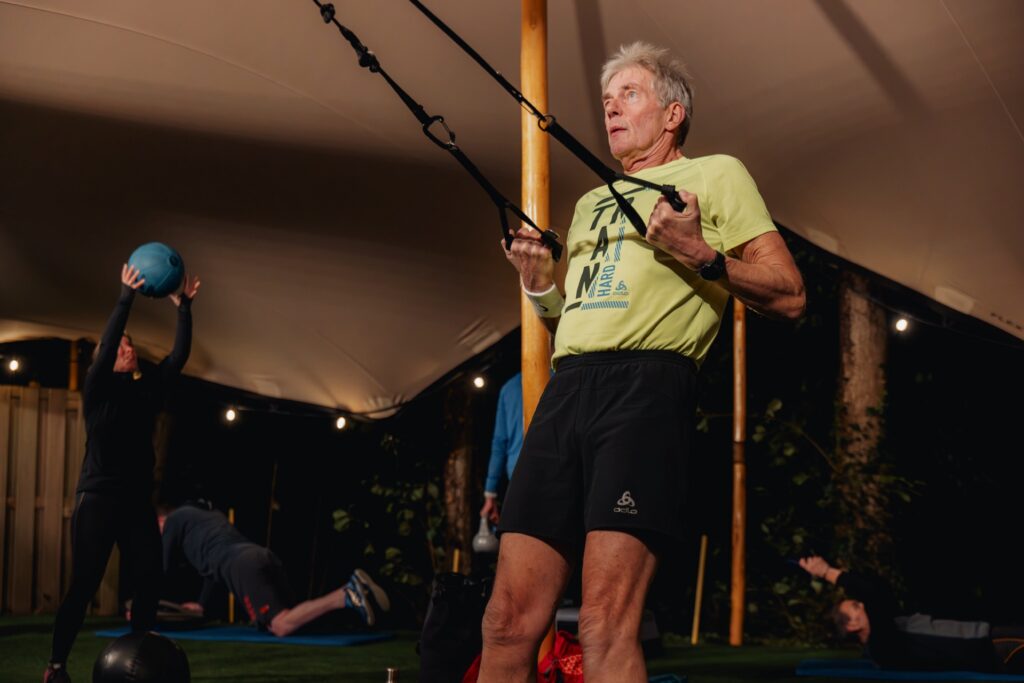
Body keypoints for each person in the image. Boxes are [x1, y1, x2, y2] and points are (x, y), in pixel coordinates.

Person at [480, 41, 806, 682]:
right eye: (607, 99)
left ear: (672, 114)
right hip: (568, 389)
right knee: (506, 621)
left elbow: (790, 294)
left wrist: (700, 253)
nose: (611, 108)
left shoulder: (716, 174)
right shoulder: (590, 204)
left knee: (603, 621)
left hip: (647, 389)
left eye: (629, 94)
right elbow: (573, 327)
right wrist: (541, 287)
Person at [44, 264, 200, 683]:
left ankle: (140, 664)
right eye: (119, 347)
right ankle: (56, 666)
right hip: (97, 498)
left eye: (130, 346)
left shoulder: (147, 390)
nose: (126, 349)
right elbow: (110, 338)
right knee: (84, 583)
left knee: (149, 578)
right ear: (106, 357)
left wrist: (183, 308)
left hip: (135, 501)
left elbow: (178, 357)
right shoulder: (97, 391)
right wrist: (126, 297)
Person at [159, 500, 390, 635]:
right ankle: (358, 602)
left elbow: (161, 565)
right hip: (260, 555)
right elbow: (212, 573)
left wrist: (146, 607)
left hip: (243, 565)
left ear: (159, 521)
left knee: (280, 625)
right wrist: (201, 605)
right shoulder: (203, 520)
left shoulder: (175, 519)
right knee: (293, 620)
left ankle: (346, 594)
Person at [798, 555, 1024, 672]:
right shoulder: (883, 644)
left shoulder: (890, 631)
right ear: (852, 625)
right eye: (857, 607)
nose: (864, 606)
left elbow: (880, 589)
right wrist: (827, 572)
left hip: (990, 643)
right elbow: (873, 592)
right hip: (991, 648)